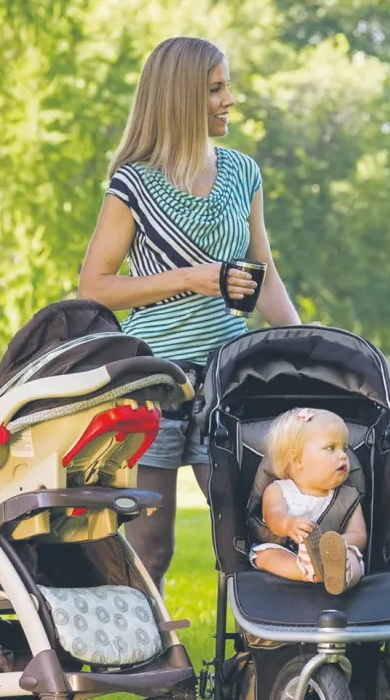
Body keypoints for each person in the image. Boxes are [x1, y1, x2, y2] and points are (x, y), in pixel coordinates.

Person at [79, 36, 301, 589]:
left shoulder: (243, 174)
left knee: (250, 531)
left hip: (228, 376)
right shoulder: (133, 183)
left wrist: (303, 345)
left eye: (227, 86)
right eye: (216, 89)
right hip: (152, 381)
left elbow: (263, 272)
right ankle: (150, 666)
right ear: (181, 98)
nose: (230, 100)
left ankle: (256, 664)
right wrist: (189, 279)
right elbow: (94, 288)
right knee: (151, 546)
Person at [250, 408, 366, 595]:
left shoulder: (348, 496)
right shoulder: (279, 489)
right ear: (296, 460)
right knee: (266, 555)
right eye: (331, 448)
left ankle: (341, 576)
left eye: (344, 448)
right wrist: (288, 524)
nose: (344, 455)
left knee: (354, 557)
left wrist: (336, 546)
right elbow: (272, 517)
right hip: (287, 550)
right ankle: (306, 572)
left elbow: (359, 534)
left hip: (333, 556)